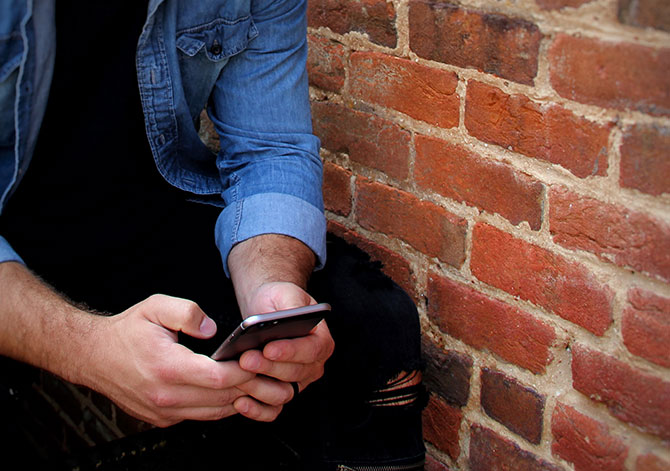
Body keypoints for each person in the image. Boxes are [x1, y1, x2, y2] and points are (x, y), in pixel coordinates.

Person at [0, 1, 425, 470]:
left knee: (369, 326)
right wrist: (86, 348)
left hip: (131, 213)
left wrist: (270, 289)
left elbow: (271, 147)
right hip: (10, 224)